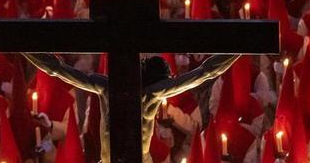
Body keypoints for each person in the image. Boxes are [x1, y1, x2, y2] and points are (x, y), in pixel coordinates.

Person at [23, 53, 240, 163]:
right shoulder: (153, 92)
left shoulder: (108, 87)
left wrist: (21, 45)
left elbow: (57, 69)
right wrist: (239, 47)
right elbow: (206, 72)